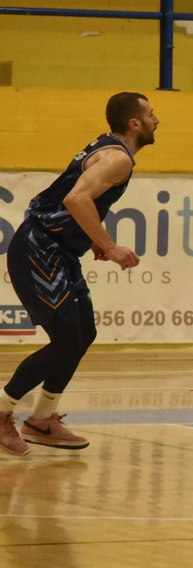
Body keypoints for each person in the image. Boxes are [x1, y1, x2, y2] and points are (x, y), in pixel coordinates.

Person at [0, 92, 156, 456]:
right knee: (67, 339)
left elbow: (73, 198)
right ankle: (2, 410)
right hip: (40, 248)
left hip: (59, 250)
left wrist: (94, 239)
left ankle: (42, 419)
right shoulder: (118, 158)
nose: (157, 120)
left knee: (84, 333)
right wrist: (110, 246)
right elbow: (75, 200)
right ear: (135, 124)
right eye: (151, 114)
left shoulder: (108, 148)